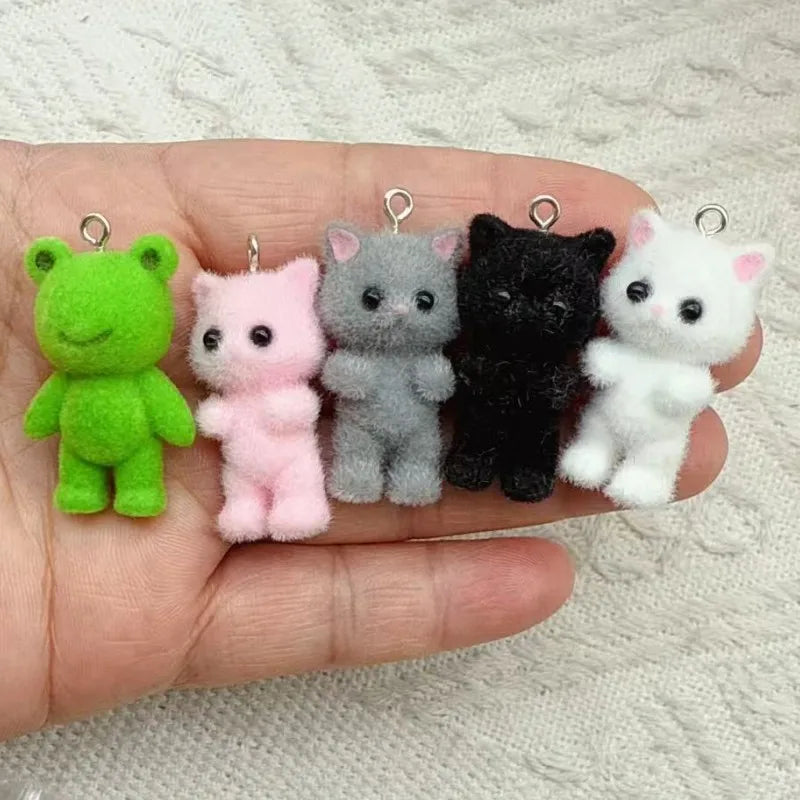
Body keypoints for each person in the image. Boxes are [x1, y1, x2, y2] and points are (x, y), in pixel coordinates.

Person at [0, 139, 760, 741]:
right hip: (321, 435)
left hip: (482, 417)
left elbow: (450, 384)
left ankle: (563, 466)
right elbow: (168, 412)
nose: (398, 311)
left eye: (422, 300)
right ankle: (186, 494)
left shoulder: (477, 351)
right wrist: (202, 416)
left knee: (500, 447)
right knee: (338, 461)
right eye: (371, 297)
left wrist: (533, 378)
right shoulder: (317, 363)